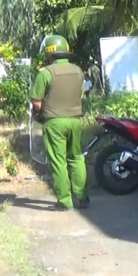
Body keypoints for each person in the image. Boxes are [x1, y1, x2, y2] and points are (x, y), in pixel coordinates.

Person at [30, 35, 90, 211]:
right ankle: (82, 197)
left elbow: (36, 102)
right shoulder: (78, 71)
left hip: (55, 122)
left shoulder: (46, 73)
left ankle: (64, 201)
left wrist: (39, 113)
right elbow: (81, 95)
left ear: (49, 54)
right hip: (75, 121)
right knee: (77, 158)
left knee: (58, 161)